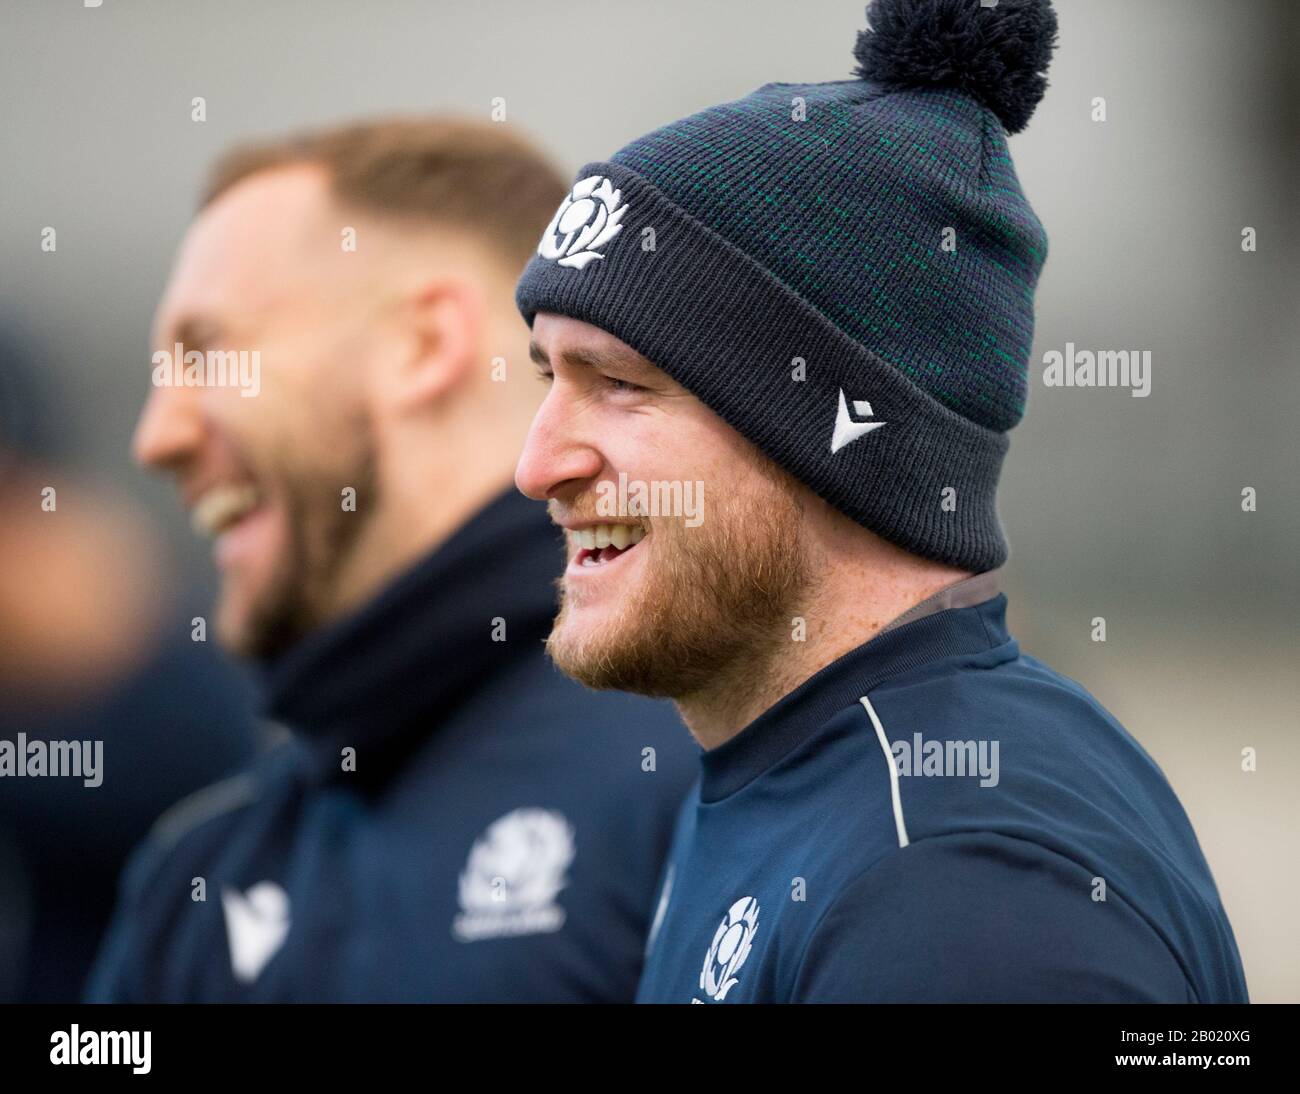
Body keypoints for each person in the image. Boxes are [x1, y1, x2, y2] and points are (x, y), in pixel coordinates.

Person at [512, 0, 1248, 1002]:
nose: (537, 461)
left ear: (826, 434)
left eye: (618, 383)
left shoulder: (957, 893)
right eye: (545, 376)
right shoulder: (790, 766)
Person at [86, 117, 696, 1002]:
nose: (156, 438)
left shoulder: (710, 777)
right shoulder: (202, 871)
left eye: (207, 351)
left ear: (424, 345)